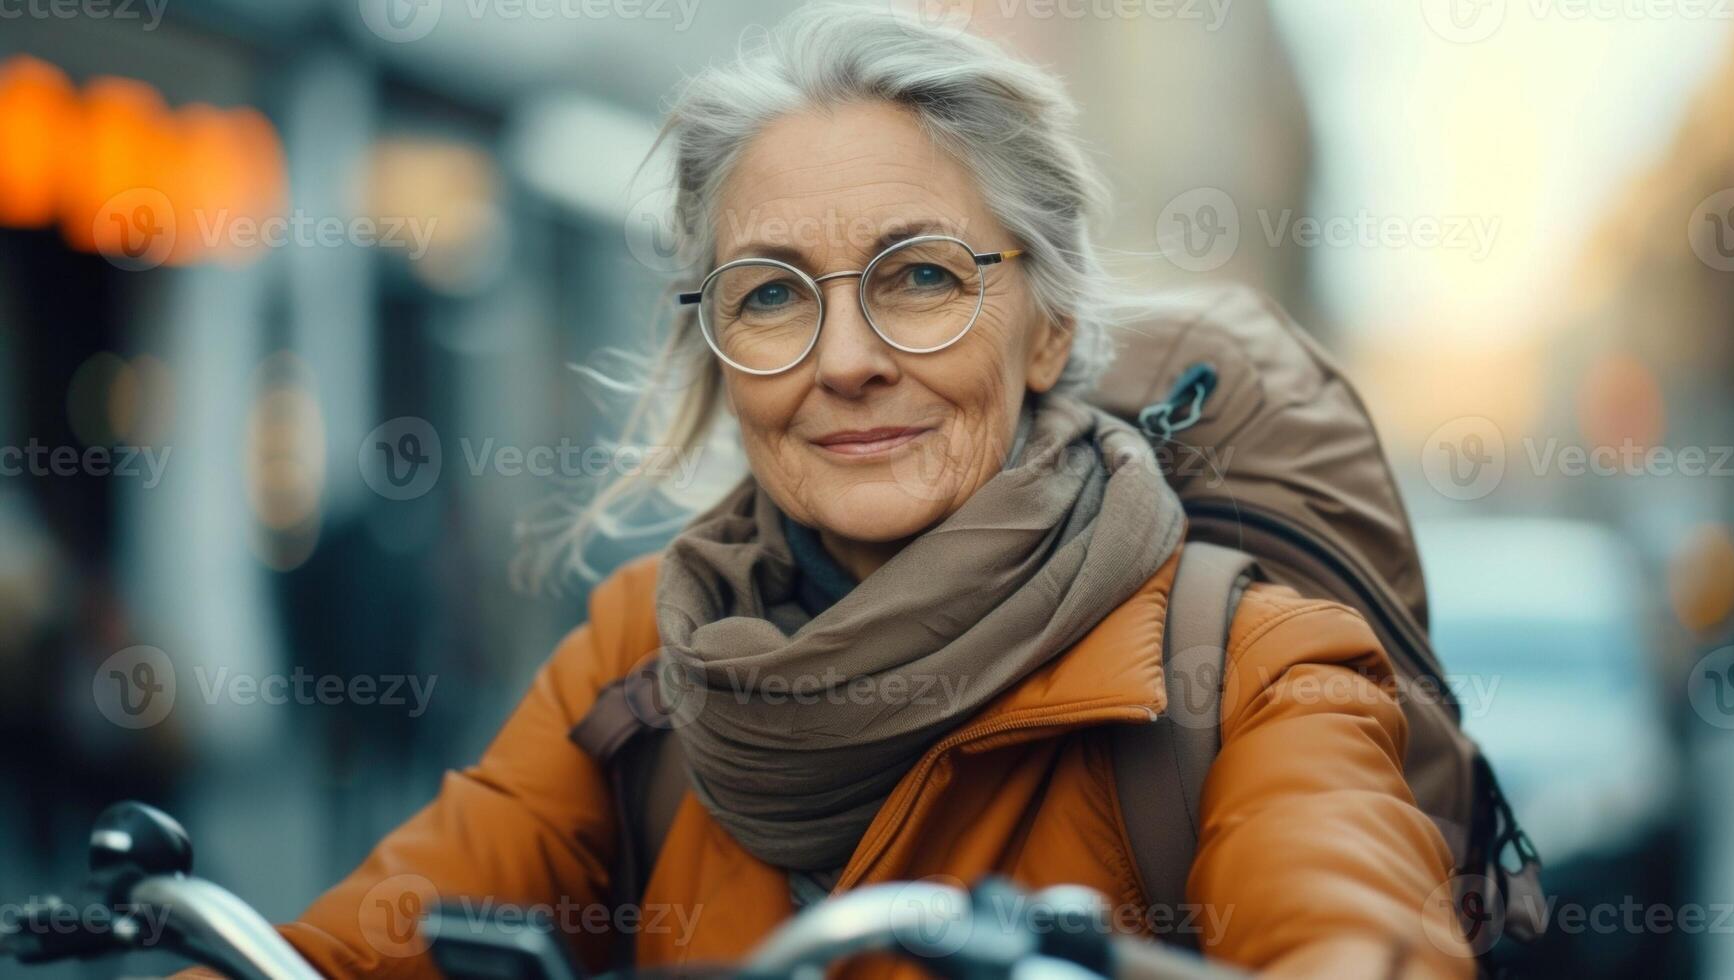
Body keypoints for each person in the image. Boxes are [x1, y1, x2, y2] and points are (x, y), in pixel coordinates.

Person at [244, 6, 1473, 978]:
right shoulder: (644, 647)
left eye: (923, 277)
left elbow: (1357, 929)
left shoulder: (1251, 665)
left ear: (1044, 331)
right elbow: (365, 940)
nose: (844, 361)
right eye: (772, 294)